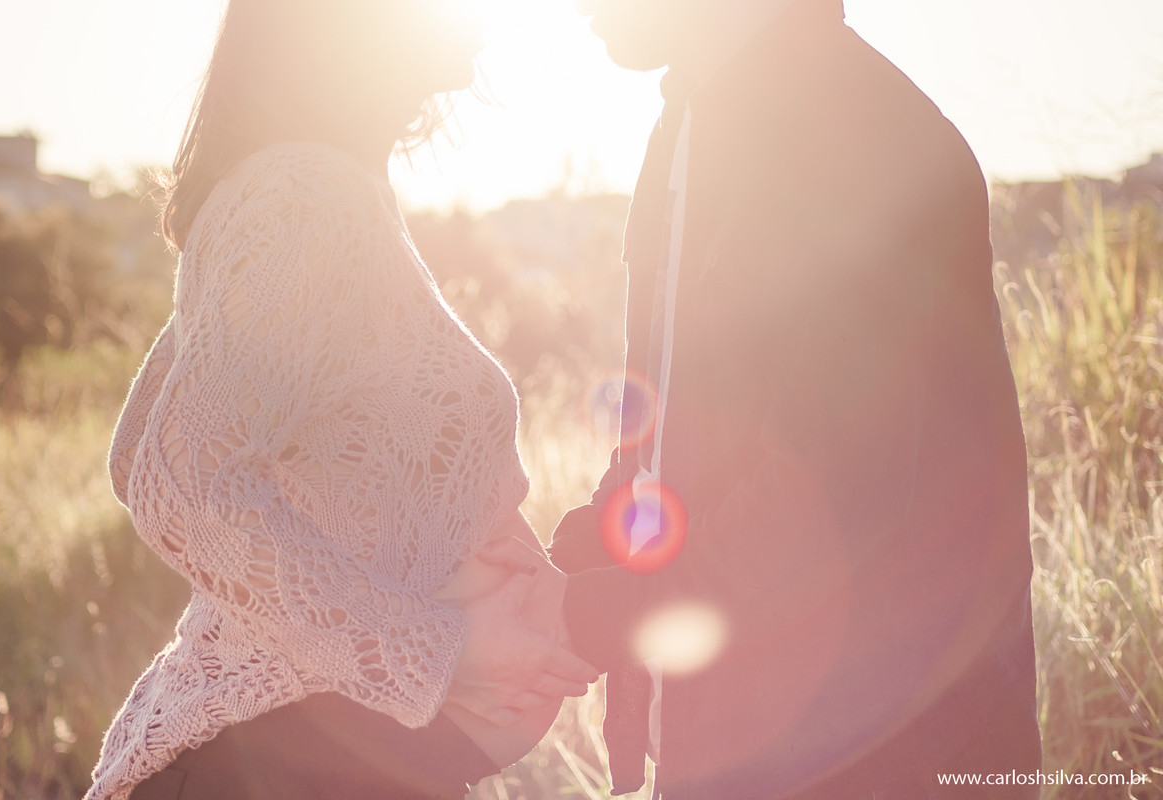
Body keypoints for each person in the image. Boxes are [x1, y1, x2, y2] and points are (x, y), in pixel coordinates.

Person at [85, 2, 597, 799]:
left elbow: (138, 453)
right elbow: (177, 478)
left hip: (318, 761)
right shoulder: (306, 198)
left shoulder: (325, 190)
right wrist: (434, 652)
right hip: (288, 768)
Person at [539, 0, 1042, 796]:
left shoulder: (853, 137)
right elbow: (679, 422)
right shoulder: (691, 122)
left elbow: (830, 509)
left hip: (882, 761)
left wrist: (581, 617)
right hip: (733, 745)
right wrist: (587, 546)